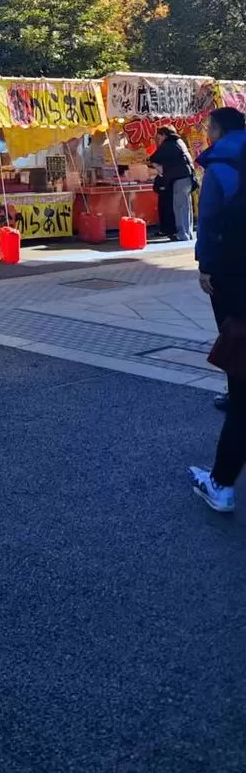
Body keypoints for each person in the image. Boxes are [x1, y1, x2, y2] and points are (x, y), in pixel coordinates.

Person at [188, 106, 246, 513]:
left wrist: (205, 265)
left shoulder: (223, 162)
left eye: (209, 128)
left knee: (242, 379)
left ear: (218, 129)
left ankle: (221, 484)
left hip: (233, 273)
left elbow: (208, 219)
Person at [148, 125, 195, 242]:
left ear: (164, 135)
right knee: (186, 207)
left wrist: (158, 167)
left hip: (179, 178)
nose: (158, 141)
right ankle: (188, 232)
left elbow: (154, 157)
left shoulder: (169, 143)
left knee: (179, 207)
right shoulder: (179, 141)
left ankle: (182, 234)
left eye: (159, 137)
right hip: (188, 177)